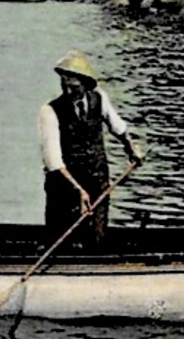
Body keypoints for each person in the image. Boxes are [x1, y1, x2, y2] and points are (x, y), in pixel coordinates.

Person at [37, 50, 142, 248]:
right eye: (64, 85)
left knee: (96, 237)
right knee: (62, 241)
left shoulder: (99, 99)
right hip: (64, 186)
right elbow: (54, 162)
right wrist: (79, 191)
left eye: (74, 87)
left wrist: (131, 148)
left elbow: (118, 127)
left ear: (85, 84)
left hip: (97, 180)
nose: (69, 92)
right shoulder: (49, 112)